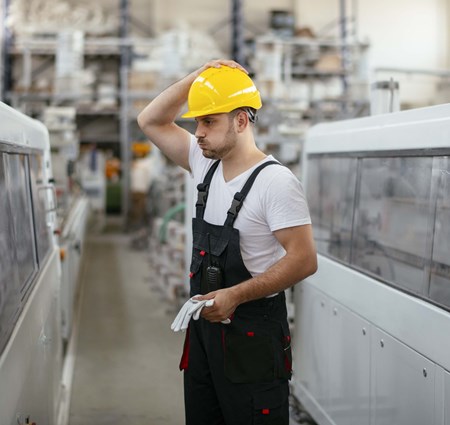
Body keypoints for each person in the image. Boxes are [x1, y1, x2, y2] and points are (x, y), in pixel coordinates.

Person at [137, 59, 317, 425]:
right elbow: (150, 121)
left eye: (208, 121)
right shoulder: (206, 164)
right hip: (205, 333)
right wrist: (200, 76)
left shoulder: (275, 183)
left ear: (240, 120)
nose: (198, 132)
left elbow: (304, 259)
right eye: (197, 123)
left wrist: (235, 295)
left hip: (253, 335)